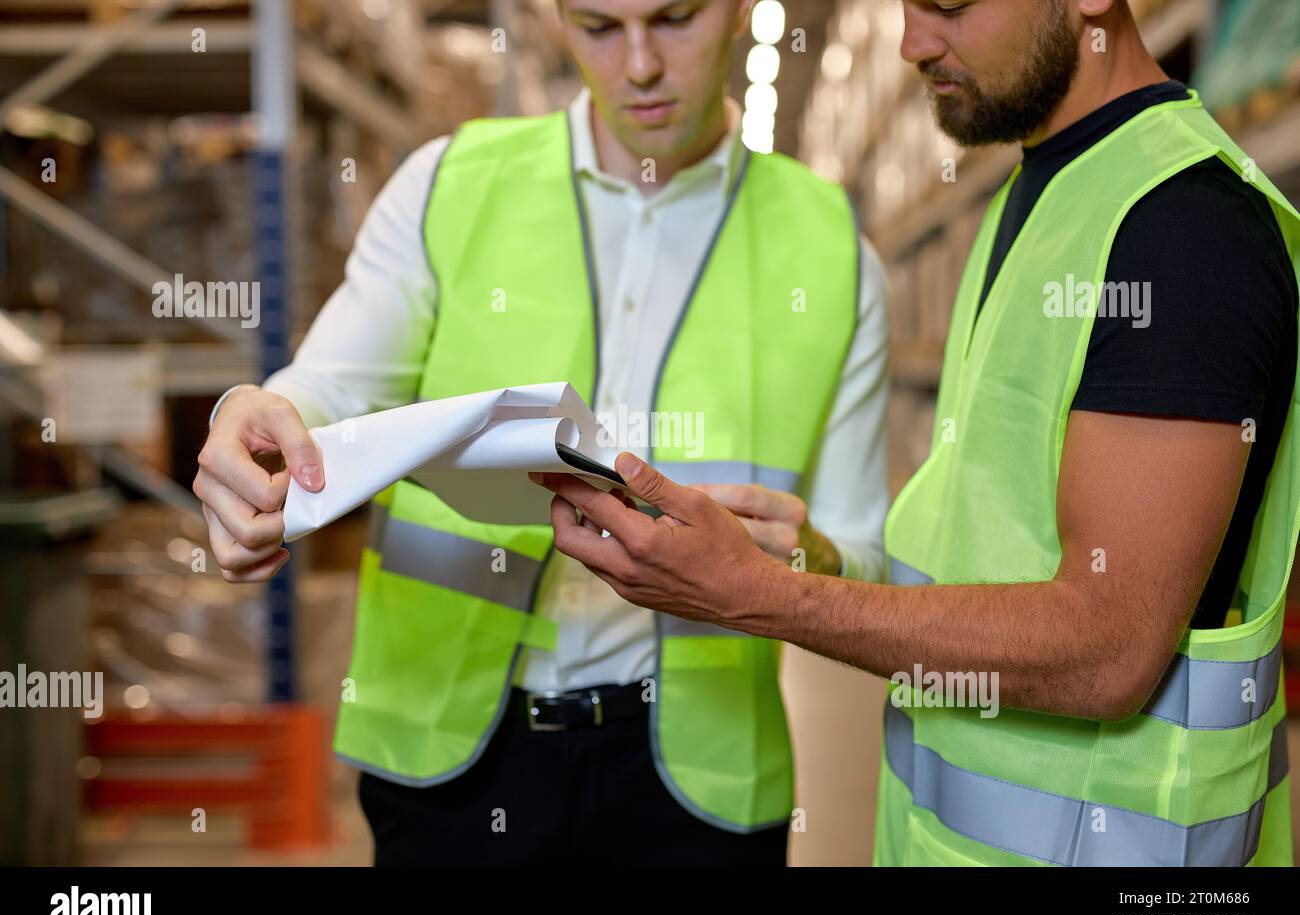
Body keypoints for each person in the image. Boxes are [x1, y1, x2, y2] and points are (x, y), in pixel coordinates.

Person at [535, 0, 1299, 866]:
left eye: (948, 6)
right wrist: (813, 558)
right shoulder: (1047, 187)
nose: (912, 42)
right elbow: (997, 532)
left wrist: (762, 594)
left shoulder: (1183, 229)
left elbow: (1109, 648)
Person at [193, 0, 892, 865]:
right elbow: (330, 386)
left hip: (699, 784)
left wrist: (807, 559)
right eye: (600, 27)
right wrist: (252, 416)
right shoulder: (449, 184)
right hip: (446, 762)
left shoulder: (832, 253)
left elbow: (863, 552)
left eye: (674, 19)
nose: (638, 65)